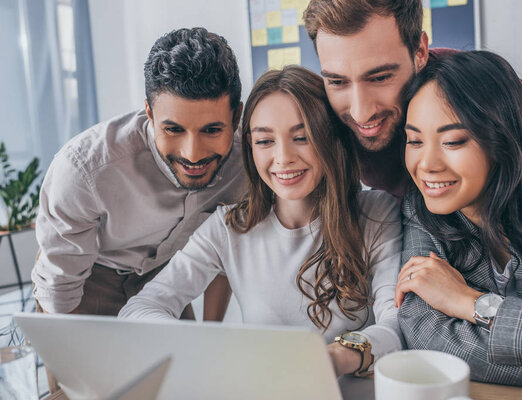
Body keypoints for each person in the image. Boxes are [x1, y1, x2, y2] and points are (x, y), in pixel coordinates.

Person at [119, 66, 403, 377]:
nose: (283, 158)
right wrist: (204, 345)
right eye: (265, 141)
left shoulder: (376, 213)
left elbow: (395, 327)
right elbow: (139, 309)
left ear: (330, 139)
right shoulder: (228, 228)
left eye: (301, 137)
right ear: (250, 147)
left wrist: (332, 358)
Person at [394, 51, 522, 394]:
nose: (426, 163)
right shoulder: (423, 211)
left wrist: (473, 304)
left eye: (453, 141)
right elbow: (426, 335)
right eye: (414, 140)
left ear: (503, 138)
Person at [32, 27, 245, 320]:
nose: (193, 154)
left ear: (235, 118)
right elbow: (60, 290)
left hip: (164, 281)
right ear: (149, 113)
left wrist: (211, 334)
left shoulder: (252, 158)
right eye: (173, 129)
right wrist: (68, 359)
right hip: (89, 278)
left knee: (189, 364)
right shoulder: (85, 169)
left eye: (211, 130)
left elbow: (228, 248)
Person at [304, 0, 455, 201]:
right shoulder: (317, 119)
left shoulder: (474, 90)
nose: (361, 114)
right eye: (337, 81)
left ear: (420, 52)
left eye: (380, 78)